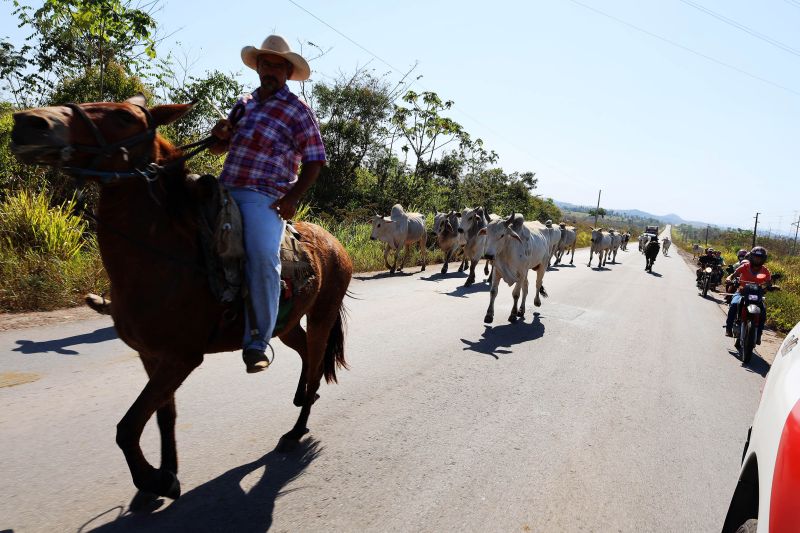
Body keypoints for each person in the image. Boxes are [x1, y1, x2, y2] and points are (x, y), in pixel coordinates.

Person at [210, 35, 326, 373]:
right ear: (258, 67)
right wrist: (219, 137)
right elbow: (220, 149)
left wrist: (292, 198)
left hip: (264, 196)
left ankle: (258, 340)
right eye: (265, 64)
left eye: (277, 65)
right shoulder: (244, 103)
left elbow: (315, 160)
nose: (270, 70)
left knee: (262, 257)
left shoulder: (297, 110)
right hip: (225, 189)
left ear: (288, 72)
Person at [724, 246, 772, 341]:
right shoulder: (744, 267)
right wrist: (729, 279)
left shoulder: (765, 271)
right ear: (751, 257)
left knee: (763, 312)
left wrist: (770, 286)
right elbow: (733, 275)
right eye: (755, 257)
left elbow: (769, 282)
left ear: (764, 259)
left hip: (757, 296)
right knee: (733, 305)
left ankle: (758, 334)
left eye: (760, 257)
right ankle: (728, 328)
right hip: (741, 292)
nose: (757, 259)